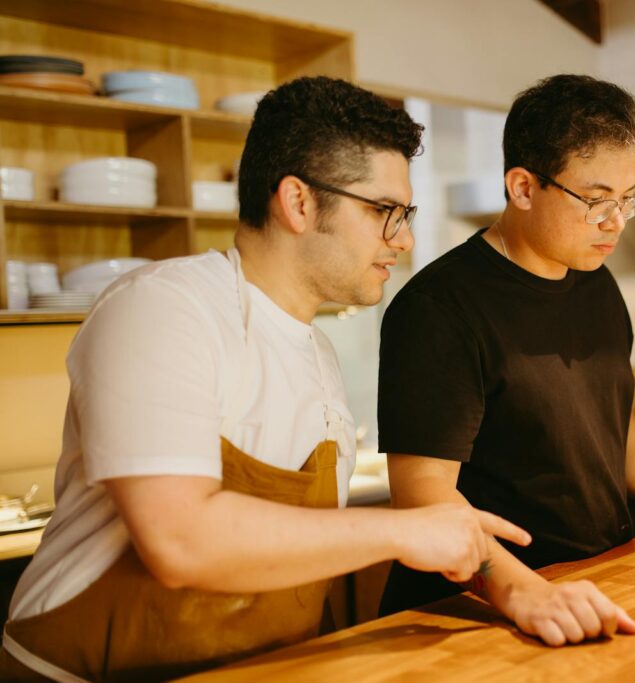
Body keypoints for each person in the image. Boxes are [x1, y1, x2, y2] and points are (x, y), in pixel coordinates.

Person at [0, 76, 530, 682]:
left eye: (404, 215)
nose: (404, 241)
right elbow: (179, 540)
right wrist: (405, 530)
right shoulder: (164, 306)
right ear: (299, 202)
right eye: (383, 211)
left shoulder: (320, 353)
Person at [375, 74, 635, 648]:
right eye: (596, 200)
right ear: (523, 187)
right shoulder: (439, 308)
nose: (617, 221)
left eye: (629, 198)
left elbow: (614, 421)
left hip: (593, 582)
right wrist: (520, 590)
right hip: (473, 610)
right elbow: (423, 493)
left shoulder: (596, 285)